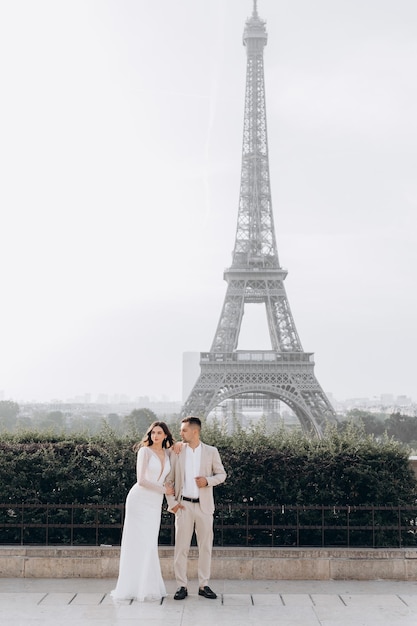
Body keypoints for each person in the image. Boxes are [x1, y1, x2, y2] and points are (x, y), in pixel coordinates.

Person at [111, 421, 176, 602]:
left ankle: (149, 586)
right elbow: (141, 480)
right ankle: (132, 587)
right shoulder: (144, 451)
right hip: (139, 499)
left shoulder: (169, 453)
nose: (155, 436)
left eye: (159, 433)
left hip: (154, 502)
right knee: (136, 542)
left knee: (149, 543)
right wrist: (165, 490)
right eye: (153, 432)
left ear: (165, 436)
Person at [166, 416, 226, 600]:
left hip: (204, 507)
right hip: (183, 506)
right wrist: (172, 504)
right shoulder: (176, 451)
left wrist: (207, 481)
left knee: (205, 547)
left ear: (195, 431)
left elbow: (222, 474)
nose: (180, 433)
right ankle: (181, 586)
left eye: (184, 430)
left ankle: (203, 585)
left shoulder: (211, 451)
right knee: (181, 548)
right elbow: (168, 480)